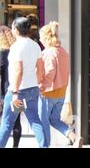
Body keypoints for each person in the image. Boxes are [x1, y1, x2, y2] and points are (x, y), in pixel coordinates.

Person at [0, 17, 48, 148]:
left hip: (18, 92)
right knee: (34, 120)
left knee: (7, 122)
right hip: (32, 89)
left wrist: (15, 92)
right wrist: (39, 84)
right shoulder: (35, 45)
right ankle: (44, 146)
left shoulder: (16, 47)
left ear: (16, 30)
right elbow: (40, 68)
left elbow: (18, 71)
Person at [37, 22, 83, 147]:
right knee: (55, 119)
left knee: (43, 122)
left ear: (46, 38)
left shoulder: (48, 52)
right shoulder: (63, 51)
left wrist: (41, 86)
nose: (39, 39)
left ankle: (44, 146)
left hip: (48, 93)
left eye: (41, 37)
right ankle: (73, 137)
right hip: (61, 92)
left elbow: (50, 71)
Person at [0, 26, 22, 148]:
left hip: (5, 93)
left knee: (5, 122)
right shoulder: (17, 50)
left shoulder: (2, 54)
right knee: (16, 120)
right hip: (19, 90)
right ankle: (15, 146)